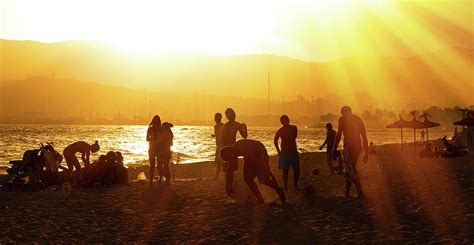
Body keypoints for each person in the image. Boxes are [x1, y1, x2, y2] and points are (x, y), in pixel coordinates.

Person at [220, 139, 285, 205]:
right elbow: (229, 170)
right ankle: (260, 199)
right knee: (248, 179)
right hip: (249, 158)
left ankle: (279, 190)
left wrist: (266, 169)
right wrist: (228, 186)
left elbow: (258, 161)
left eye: (230, 158)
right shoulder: (233, 152)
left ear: (231, 152)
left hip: (260, 153)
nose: (232, 159)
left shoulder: (242, 148)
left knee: (263, 180)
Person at [332, 106, 368, 199]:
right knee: (350, 168)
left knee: (351, 168)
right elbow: (364, 137)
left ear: (344, 113)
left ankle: (360, 192)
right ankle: (347, 192)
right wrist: (366, 152)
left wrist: (334, 150)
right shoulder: (358, 119)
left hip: (349, 146)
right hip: (358, 146)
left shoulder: (342, 120)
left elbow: (339, 134)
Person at [220, 108, 247, 197]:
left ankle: (229, 187)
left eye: (232, 114)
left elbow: (244, 136)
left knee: (229, 170)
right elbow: (222, 139)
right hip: (228, 149)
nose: (232, 116)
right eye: (230, 115)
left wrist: (245, 128)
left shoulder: (235, 125)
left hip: (231, 149)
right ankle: (228, 187)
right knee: (228, 170)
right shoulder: (227, 126)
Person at [274, 115, 300, 190]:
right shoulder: (280, 130)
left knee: (297, 170)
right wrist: (278, 151)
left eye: (287, 119)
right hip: (284, 152)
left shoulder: (293, 128)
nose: (286, 121)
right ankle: (285, 186)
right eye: (284, 120)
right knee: (285, 170)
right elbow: (275, 140)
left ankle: (295, 185)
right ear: (281, 122)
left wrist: (285, 134)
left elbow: (294, 137)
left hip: (292, 151)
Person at [147, 115, 161, 185]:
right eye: (155, 120)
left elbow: (163, 139)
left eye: (157, 121)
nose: (156, 122)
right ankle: (151, 181)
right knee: (152, 165)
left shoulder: (161, 129)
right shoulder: (150, 129)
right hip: (152, 148)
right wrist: (153, 139)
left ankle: (161, 178)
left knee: (159, 165)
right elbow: (147, 139)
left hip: (159, 149)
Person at [213, 113, 224, 180]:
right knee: (219, 162)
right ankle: (216, 176)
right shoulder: (217, 126)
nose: (214, 119)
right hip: (219, 145)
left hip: (221, 145)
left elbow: (221, 135)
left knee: (220, 162)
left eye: (215, 117)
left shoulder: (219, 126)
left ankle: (216, 176)